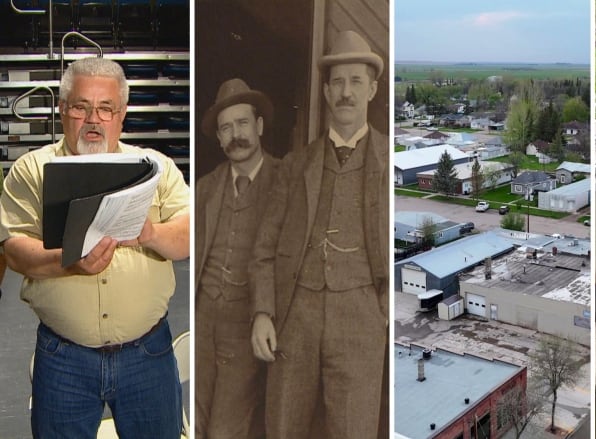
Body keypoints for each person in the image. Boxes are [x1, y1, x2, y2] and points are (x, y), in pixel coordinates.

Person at [0, 57, 189, 438]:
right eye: (81, 107)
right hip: (64, 357)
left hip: (148, 354)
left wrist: (149, 232)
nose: (93, 119)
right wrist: (69, 263)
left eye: (106, 108)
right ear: (63, 110)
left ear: (121, 115)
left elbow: (187, 236)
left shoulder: (158, 167)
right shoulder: (31, 169)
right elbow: (15, 249)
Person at [250, 30, 389, 439]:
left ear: (373, 89)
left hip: (362, 318)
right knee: (284, 427)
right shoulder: (295, 166)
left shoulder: (390, 162)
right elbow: (263, 248)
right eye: (338, 83)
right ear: (326, 92)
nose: (346, 92)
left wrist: (383, 314)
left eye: (356, 82)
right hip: (297, 316)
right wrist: (263, 312)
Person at [195, 78, 278, 438]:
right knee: (190, 419)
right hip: (201, 322)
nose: (235, 135)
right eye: (225, 128)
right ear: (218, 138)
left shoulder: (285, 180)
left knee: (225, 430)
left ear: (259, 126)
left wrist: (266, 313)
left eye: (242, 123)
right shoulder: (206, 187)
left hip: (246, 330)